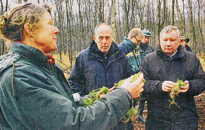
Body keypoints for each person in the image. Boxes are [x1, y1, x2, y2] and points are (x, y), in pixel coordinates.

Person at [0, 3, 145, 130]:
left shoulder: (38, 66)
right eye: (50, 23)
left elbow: (65, 105)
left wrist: (99, 97)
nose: (56, 29)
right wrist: (123, 95)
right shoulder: (20, 75)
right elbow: (72, 123)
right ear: (30, 30)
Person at [68, 23, 134, 130]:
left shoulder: (120, 56)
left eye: (107, 38)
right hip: (94, 115)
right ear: (95, 38)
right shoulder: (83, 57)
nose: (104, 42)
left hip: (118, 115)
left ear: (112, 37)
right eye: (101, 38)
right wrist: (86, 100)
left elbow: (130, 79)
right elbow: (74, 82)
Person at [140, 25, 205, 129]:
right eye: (165, 40)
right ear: (160, 40)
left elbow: (202, 81)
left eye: (172, 40)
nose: (168, 43)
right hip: (157, 120)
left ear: (179, 41)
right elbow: (142, 85)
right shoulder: (149, 60)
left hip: (185, 120)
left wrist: (190, 86)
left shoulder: (191, 58)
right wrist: (159, 86)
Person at [137, 29, 154, 122]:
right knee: (141, 96)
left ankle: (149, 114)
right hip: (139, 74)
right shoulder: (136, 48)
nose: (146, 39)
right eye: (144, 37)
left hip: (150, 74)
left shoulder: (151, 49)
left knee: (150, 94)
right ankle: (139, 114)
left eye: (148, 38)